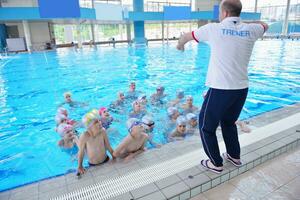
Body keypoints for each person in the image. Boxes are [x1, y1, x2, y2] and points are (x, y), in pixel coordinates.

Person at [177, 0, 268, 173]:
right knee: (228, 122)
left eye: (220, 12)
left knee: (205, 127)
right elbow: (265, 25)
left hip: (220, 89)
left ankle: (216, 163)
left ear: (225, 13)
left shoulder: (213, 29)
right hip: (241, 89)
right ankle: (234, 156)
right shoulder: (252, 30)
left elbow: (186, 37)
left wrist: (179, 45)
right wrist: (244, 24)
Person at [77, 110, 114, 175]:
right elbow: (81, 152)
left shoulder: (102, 131)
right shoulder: (85, 136)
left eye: (99, 120)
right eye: (96, 122)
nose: (100, 123)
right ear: (89, 127)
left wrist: (114, 156)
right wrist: (80, 166)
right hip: (92, 164)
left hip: (106, 160)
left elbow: (108, 146)